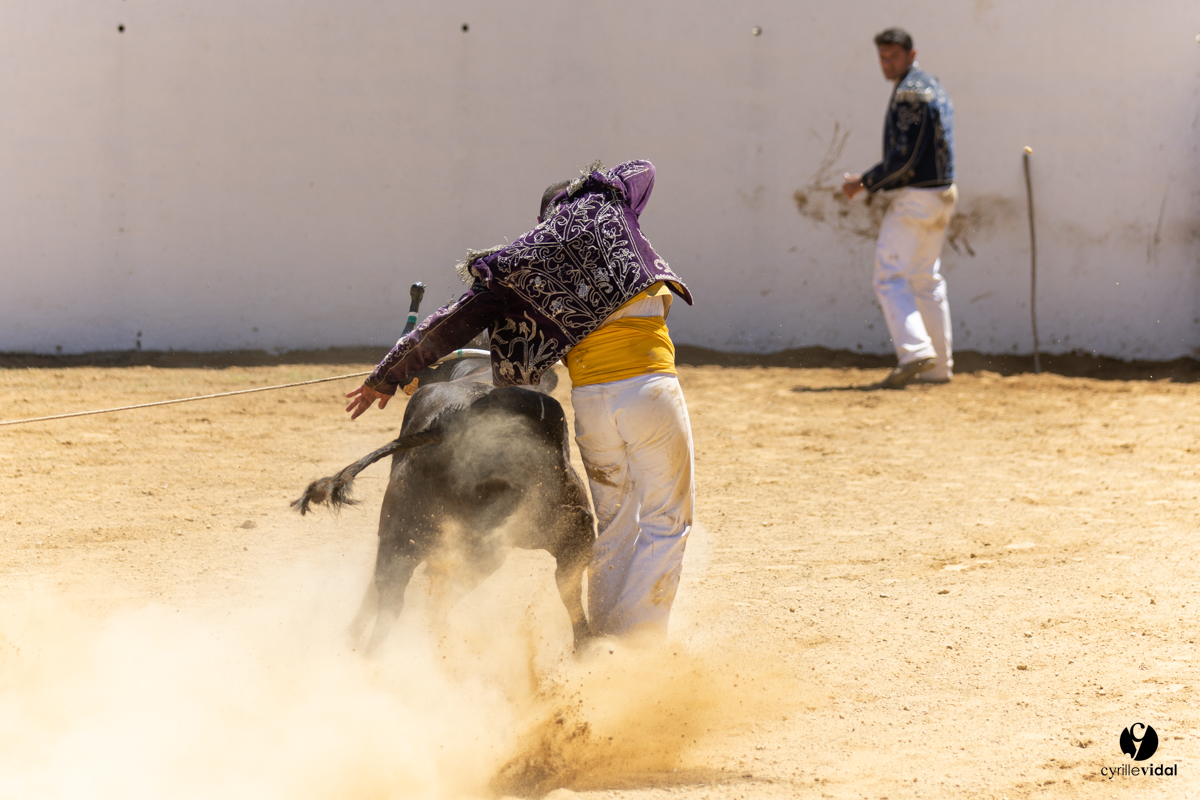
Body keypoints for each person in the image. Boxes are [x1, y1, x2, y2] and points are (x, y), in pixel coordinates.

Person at [345, 160, 696, 643]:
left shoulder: (523, 266)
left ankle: (607, 635)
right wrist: (593, 191)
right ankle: (637, 641)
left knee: (613, 523)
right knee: (665, 521)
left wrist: (387, 377)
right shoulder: (610, 219)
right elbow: (643, 170)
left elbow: (452, 323)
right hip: (651, 392)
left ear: (541, 225)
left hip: (593, 404)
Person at [842, 27, 957, 388]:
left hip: (918, 198)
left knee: (889, 276)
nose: (887, 63)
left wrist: (865, 181)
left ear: (911, 54)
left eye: (893, 56)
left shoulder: (910, 93)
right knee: (925, 278)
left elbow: (905, 158)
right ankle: (939, 366)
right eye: (882, 57)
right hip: (942, 193)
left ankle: (915, 351)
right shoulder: (932, 85)